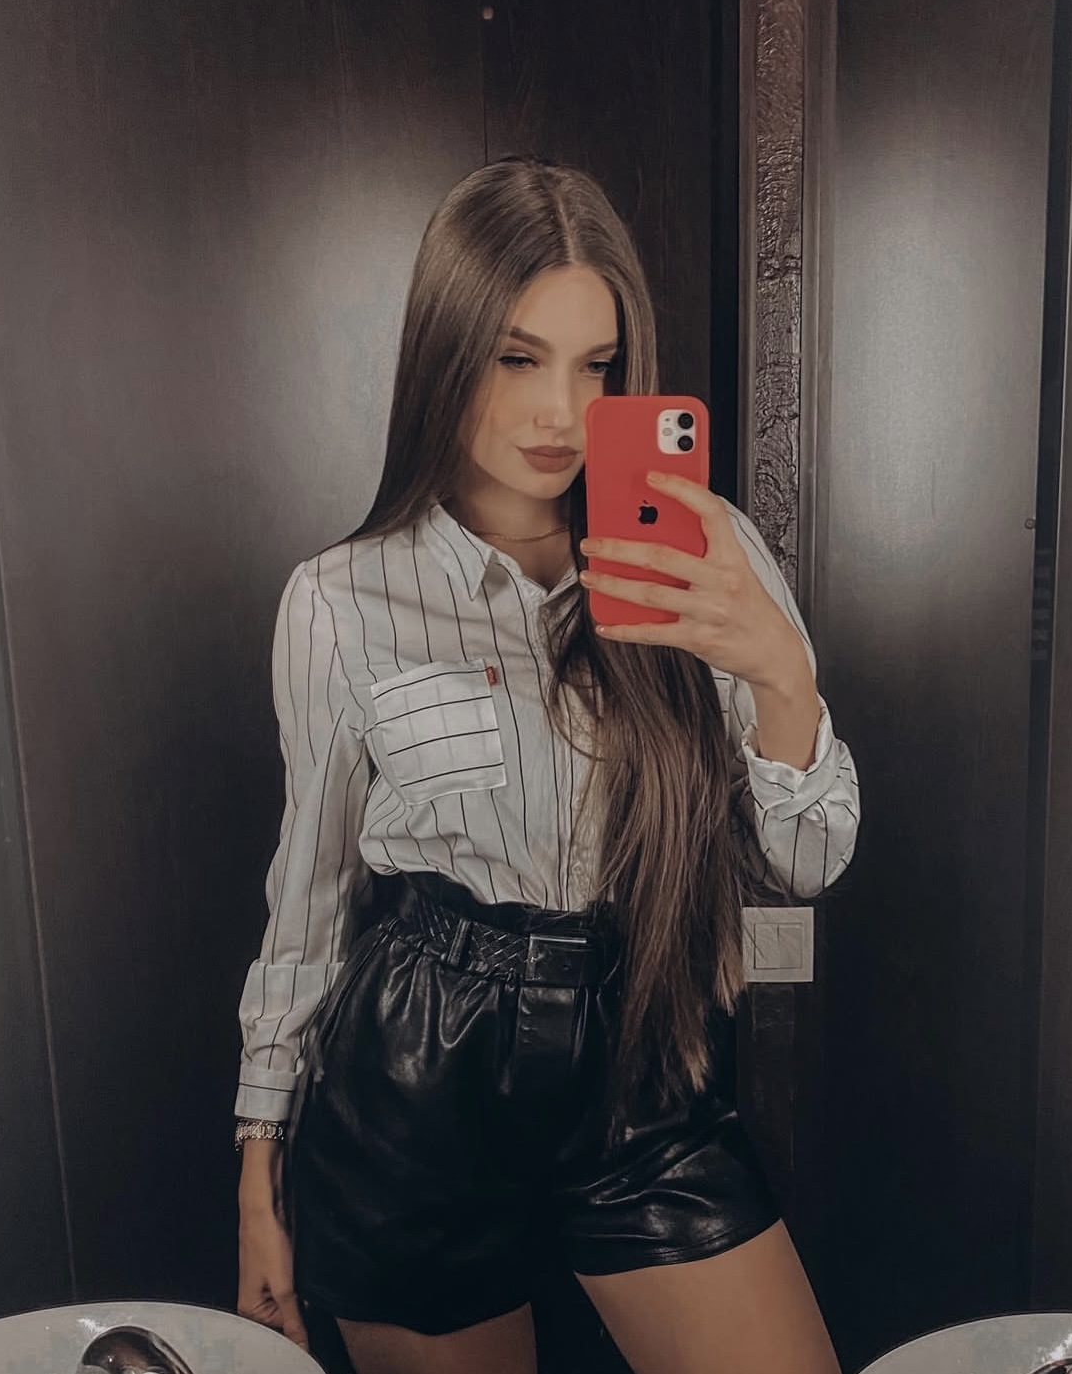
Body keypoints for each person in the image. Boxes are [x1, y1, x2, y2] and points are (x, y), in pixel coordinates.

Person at [235, 157, 859, 1374]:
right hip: (415, 1078)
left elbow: (807, 857)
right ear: (446, 351)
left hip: (644, 1065)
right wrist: (260, 1168)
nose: (561, 413)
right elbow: (306, 903)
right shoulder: (338, 601)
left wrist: (783, 674)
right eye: (517, 358)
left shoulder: (706, 553)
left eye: (597, 366)